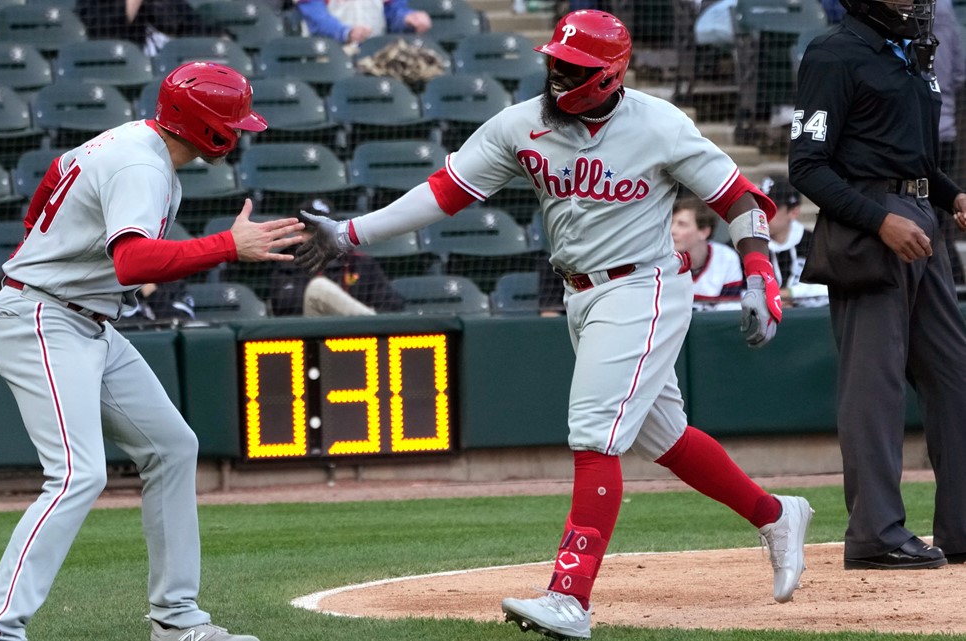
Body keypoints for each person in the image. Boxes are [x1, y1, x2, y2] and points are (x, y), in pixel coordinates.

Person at [296, 11, 813, 640]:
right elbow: (445, 191)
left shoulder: (659, 123)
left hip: (643, 286)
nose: (559, 73)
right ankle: (775, 513)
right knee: (663, 438)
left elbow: (737, 199)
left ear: (610, 74)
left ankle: (571, 595)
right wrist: (351, 232)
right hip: (581, 295)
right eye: (556, 61)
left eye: (574, 67)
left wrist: (759, 273)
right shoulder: (522, 123)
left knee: (594, 432)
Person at [0, 62, 303, 641]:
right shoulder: (141, 164)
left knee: (173, 447)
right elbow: (134, 262)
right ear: (207, 126)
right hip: (45, 318)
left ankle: (177, 621)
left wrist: (53, 253)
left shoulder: (134, 144)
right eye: (233, 123)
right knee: (76, 474)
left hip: (82, 317)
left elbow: (47, 194)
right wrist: (229, 244)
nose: (239, 132)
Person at [789, 0, 966, 570]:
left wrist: (951, 195)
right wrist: (880, 220)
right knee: (874, 388)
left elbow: (911, 157)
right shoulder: (833, 53)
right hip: (871, 229)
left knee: (955, 377)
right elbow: (807, 165)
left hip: (921, 221)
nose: (914, 0)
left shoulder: (911, 53)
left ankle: (961, 528)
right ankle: (875, 534)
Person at [268, 198, 404, 317]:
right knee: (318, 288)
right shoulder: (287, 262)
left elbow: (393, 305)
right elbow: (282, 308)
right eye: (311, 230)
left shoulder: (359, 262)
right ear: (298, 231)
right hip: (312, 338)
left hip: (360, 339)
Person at [933, 0, 966, 284]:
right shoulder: (949, 12)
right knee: (941, 217)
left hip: (916, 136)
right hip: (946, 132)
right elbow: (959, 74)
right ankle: (952, 280)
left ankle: (947, 281)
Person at [761, 175, 828, 307]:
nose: (761, 214)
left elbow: (828, 289)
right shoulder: (746, 245)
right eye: (759, 206)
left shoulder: (815, 243)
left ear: (793, 211)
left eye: (770, 208)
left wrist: (790, 294)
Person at [74, 0, 227, 56]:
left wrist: (222, 42)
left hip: (173, 73)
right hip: (126, 68)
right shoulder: (95, 4)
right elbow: (108, 32)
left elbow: (195, 27)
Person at [670, 195, 744, 309]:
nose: (672, 230)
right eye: (671, 223)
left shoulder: (727, 258)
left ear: (704, 232)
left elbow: (729, 314)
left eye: (682, 224)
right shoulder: (660, 259)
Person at [295, 0, 431, 46]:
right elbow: (317, 20)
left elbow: (393, 11)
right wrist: (346, 33)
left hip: (374, 52)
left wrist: (407, 18)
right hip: (328, 54)